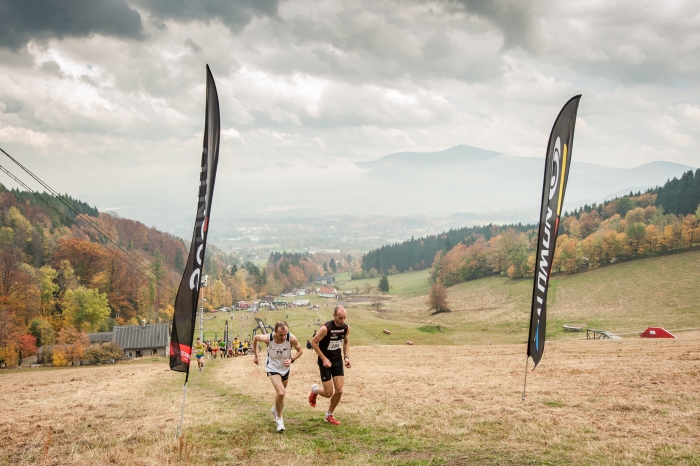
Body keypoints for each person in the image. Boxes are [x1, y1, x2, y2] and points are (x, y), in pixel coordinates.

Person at [253, 321, 303, 432]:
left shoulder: (291, 338)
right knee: (281, 393)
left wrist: (291, 360)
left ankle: (276, 409)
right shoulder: (268, 338)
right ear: (275, 331)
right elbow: (255, 338)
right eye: (281, 335)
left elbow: (300, 351)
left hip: (285, 369)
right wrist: (256, 356)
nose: (284, 337)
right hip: (272, 368)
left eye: (285, 334)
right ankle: (279, 420)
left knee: (280, 395)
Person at [308, 306, 351, 426]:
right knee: (328, 393)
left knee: (339, 390)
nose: (342, 320)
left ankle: (329, 415)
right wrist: (324, 358)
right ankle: (315, 390)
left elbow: (346, 342)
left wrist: (346, 357)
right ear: (334, 316)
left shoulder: (345, 328)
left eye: (344, 318)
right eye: (340, 318)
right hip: (325, 362)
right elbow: (314, 342)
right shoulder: (326, 328)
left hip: (337, 361)